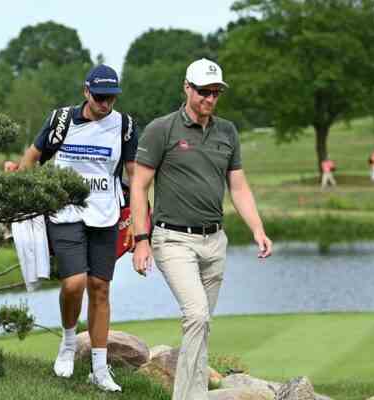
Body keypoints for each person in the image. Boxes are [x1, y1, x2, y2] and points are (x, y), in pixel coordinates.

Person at [128, 58, 272, 400]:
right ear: (187, 88)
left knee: (202, 325)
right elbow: (139, 186)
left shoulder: (228, 132)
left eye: (216, 92)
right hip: (172, 238)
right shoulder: (161, 129)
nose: (210, 98)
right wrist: (141, 240)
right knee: (196, 316)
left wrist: (258, 228)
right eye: (203, 91)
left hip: (214, 241)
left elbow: (238, 187)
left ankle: (195, 394)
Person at [5, 64, 137, 392]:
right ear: (86, 92)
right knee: (75, 283)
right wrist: (18, 178)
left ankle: (100, 368)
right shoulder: (60, 121)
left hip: (106, 215)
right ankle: (67, 343)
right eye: (100, 97)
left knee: (100, 287)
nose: (106, 103)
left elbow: (135, 175)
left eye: (111, 97)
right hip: (64, 213)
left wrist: (135, 218)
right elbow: (33, 158)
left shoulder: (126, 126)